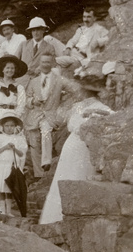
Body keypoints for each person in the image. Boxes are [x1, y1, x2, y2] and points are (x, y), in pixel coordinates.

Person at [39, 80, 112, 224]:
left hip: (84, 147)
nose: (81, 93)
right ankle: (56, 219)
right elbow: (70, 123)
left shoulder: (101, 108)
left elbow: (110, 118)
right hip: (73, 146)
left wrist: (96, 114)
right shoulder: (77, 106)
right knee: (67, 175)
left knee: (78, 175)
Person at [24, 53, 63, 179]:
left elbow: (70, 93)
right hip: (35, 116)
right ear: (39, 64)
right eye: (43, 62)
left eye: (48, 62)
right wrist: (32, 101)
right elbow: (27, 99)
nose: (45, 65)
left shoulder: (59, 81)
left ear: (52, 64)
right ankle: (38, 174)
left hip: (50, 115)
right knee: (34, 142)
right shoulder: (34, 81)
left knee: (46, 130)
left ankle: (46, 161)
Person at [0, 113, 27, 216]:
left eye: (11, 126)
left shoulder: (19, 138)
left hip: (11, 167)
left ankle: (9, 211)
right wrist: (5, 147)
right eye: (7, 126)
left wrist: (14, 148)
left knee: (9, 190)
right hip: (1, 166)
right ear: (2, 126)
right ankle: (2, 210)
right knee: (2, 189)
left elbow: (22, 153)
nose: (9, 128)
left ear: (16, 127)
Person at [57, 8, 109, 72]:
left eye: (88, 17)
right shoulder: (81, 29)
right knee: (48, 38)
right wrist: (68, 48)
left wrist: (98, 42)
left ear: (94, 18)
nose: (85, 20)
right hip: (70, 51)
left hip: (79, 57)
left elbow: (109, 38)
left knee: (55, 60)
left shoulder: (99, 29)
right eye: (84, 17)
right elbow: (73, 40)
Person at [15, 17, 56, 87]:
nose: (36, 33)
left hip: (39, 80)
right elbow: (14, 60)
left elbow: (52, 63)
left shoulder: (49, 47)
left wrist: (37, 70)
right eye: (33, 30)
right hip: (21, 79)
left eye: (38, 30)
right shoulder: (24, 44)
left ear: (43, 30)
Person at [0, 55, 28, 122]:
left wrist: (16, 116)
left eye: (12, 68)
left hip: (13, 114)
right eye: (7, 68)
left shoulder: (19, 87)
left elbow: (21, 104)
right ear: (2, 69)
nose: (10, 70)